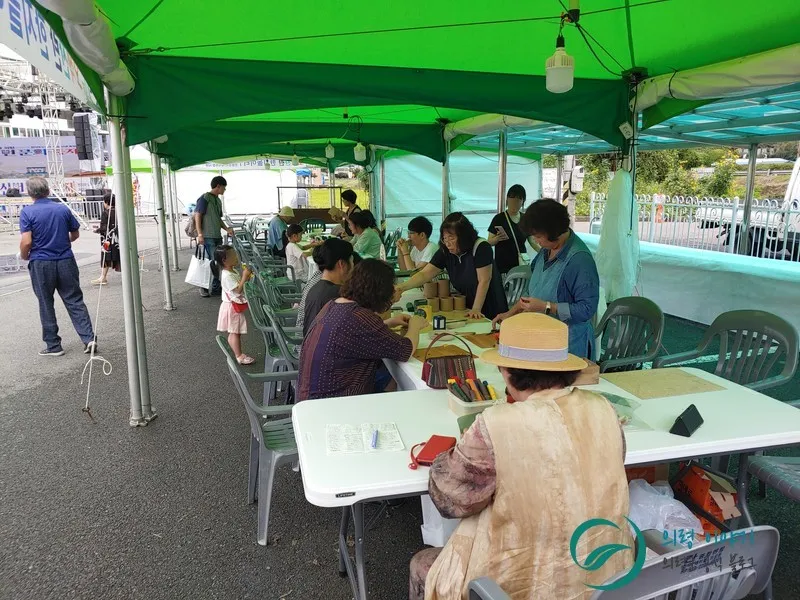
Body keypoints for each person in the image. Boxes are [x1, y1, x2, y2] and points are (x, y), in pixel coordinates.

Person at [409, 313, 630, 600]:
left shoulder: (496, 423)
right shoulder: (604, 409)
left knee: (422, 564)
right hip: (607, 578)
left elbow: (450, 499)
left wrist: (450, 454)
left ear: (506, 372)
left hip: (518, 585)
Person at [298, 259, 427, 400]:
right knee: (399, 381)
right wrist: (415, 325)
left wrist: (388, 323)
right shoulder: (361, 318)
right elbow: (405, 350)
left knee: (389, 377)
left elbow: (354, 334)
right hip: (336, 402)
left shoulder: (333, 304)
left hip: (312, 397)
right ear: (380, 292)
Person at [492, 199, 599, 358]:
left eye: (538, 236)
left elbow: (586, 309)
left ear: (554, 232)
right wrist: (510, 314)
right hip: (543, 340)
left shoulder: (579, 260)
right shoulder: (545, 251)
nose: (536, 241)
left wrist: (547, 307)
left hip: (569, 346)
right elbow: (531, 292)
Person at [18, 176, 97, 356]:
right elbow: (75, 234)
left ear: (30, 193)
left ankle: (53, 345)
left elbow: (26, 241)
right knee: (74, 300)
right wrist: (62, 241)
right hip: (65, 260)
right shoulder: (62, 209)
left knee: (46, 303)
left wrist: (24, 256)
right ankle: (88, 338)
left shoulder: (27, 212)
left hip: (41, 262)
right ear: (48, 190)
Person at [395, 212, 508, 320]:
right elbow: (425, 274)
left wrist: (476, 309)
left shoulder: (481, 247)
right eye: (445, 238)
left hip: (490, 308)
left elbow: (484, 280)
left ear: (463, 236)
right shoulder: (445, 251)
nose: (448, 243)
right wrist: (401, 287)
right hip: (467, 307)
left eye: (452, 238)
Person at [299, 238, 356, 335]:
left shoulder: (316, 287)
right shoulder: (337, 295)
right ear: (341, 264)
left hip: (310, 342)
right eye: (352, 261)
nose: (353, 266)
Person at [212, 244, 254, 365]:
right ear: (224, 260)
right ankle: (239, 356)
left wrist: (246, 277)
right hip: (232, 307)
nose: (236, 257)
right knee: (235, 332)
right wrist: (244, 277)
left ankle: (235, 353)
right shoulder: (227, 275)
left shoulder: (232, 271)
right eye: (233, 255)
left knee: (234, 331)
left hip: (232, 306)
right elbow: (238, 290)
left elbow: (239, 285)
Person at [195, 176, 234, 298]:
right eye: (224, 187)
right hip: (207, 236)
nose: (224, 190)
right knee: (210, 262)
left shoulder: (218, 201)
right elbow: (197, 215)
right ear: (218, 186)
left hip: (217, 236)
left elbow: (218, 218)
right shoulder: (204, 198)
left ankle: (216, 287)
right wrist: (200, 234)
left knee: (218, 262)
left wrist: (226, 229)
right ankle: (204, 287)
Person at [487, 184, 540, 275]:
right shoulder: (499, 219)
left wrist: (545, 252)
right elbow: (489, 242)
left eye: (519, 199)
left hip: (521, 264)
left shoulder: (525, 219)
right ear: (507, 200)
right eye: (512, 198)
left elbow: (533, 242)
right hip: (502, 267)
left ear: (522, 202)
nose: (515, 202)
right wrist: (496, 239)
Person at [91, 190, 120, 285]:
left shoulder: (106, 213)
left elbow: (104, 228)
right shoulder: (119, 211)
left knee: (105, 257)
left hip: (108, 240)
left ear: (107, 202)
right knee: (121, 256)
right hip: (119, 239)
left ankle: (103, 277)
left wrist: (96, 230)